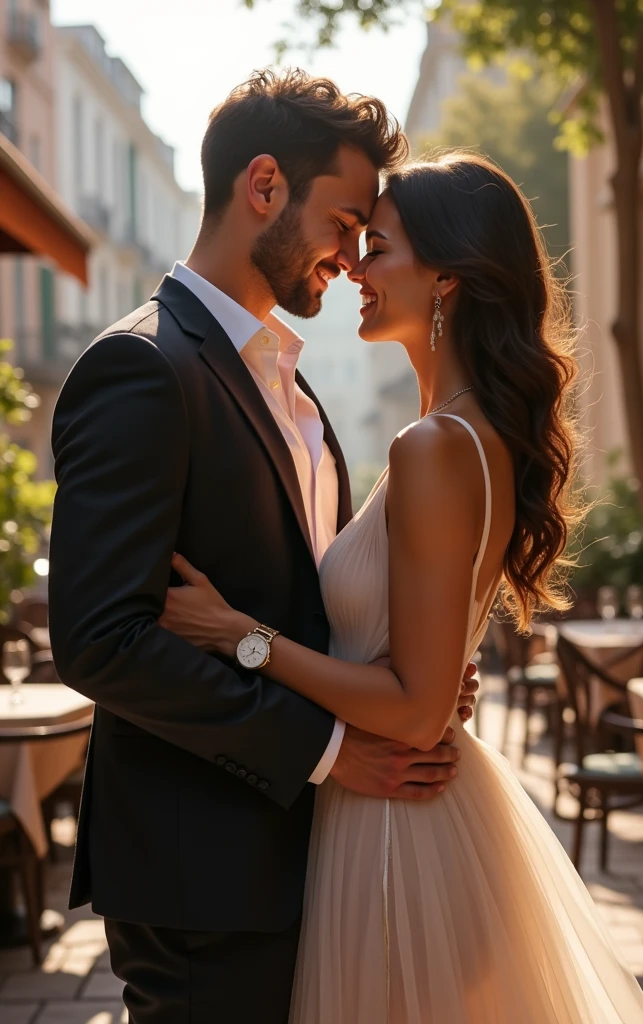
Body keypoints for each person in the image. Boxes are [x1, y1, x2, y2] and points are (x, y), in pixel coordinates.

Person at [161, 154, 643, 1023]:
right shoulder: (467, 439)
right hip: (404, 803)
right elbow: (423, 679)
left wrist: (237, 634)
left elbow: (415, 710)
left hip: (400, 823)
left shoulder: (434, 447)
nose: (354, 266)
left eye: (379, 248)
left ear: (448, 282)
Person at [48, 70, 479, 1024]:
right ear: (266, 187)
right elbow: (98, 640)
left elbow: (307, 596)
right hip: (204, 875)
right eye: (346, 221)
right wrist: (329, 750)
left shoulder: (293, 388)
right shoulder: (140, 367)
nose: (354, 254)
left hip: (311, 857)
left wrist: (413, 670)